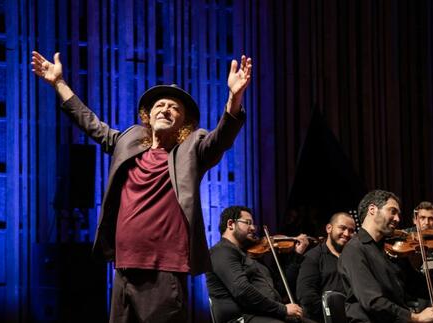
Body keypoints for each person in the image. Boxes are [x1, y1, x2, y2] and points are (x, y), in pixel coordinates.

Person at [31, 51, 252, 323]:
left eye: (174, 108)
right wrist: (59, 83)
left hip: (165, 269)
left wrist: (234, 98)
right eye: (160, 105)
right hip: (124, 266)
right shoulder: (129, 141)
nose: (166, 110)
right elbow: (92, 125)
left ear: (183, 123)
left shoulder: (192, 148)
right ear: (148, 115)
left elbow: (222, 138)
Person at [338, 189, 433, 322]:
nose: (398, 219)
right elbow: (373, 302)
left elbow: (421, 287)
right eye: (393, 211)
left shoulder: (391, 250)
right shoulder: (354, 249)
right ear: (372, 209)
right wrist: (415, 317)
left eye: (398, 214)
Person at [206, 206, 315, 323]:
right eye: (248, 223)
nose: (253, 228)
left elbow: (279, 288)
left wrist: (297, 256)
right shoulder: (222, 251)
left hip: (265, 315)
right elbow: (242, 291)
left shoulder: (252, 256)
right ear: (230, 224)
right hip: (242, 318)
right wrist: (282, 309)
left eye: (253, 224)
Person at [296, 212, 355, 322]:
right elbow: (306, 296)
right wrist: (333, 316)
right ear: (329, 228)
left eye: (351, 231)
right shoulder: (313, 257)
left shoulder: (354, 258)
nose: (347, 234)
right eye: (342, 228)